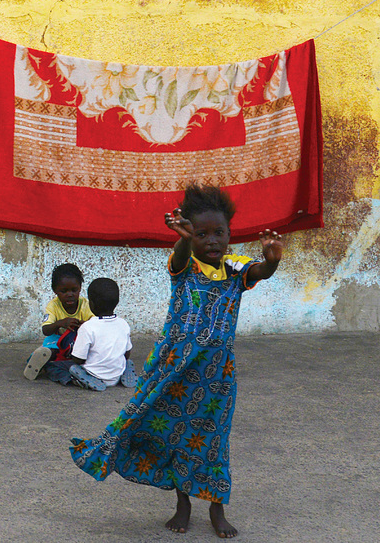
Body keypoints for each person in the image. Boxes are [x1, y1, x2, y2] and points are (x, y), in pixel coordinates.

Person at [69, 184, 283, 538]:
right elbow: (181, 257)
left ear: (230, 233)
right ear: (190, 235)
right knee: (173, 434)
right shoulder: (183, 266)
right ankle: (182, 503)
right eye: (201, 234)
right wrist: (183, 240)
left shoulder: (235, 270)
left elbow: (260, 272)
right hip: (175, 370)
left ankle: (217, 507)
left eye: (219, 233)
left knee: (214, 440)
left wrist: (272, 260)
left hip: (217, 377)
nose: (211, 240)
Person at [24, 263, 94, 381]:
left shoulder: (85, 304)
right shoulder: (53, 306)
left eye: (74, 290)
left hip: (78, 340)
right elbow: (45, 330)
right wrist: (61, 323)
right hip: (58, 339)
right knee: (52, 350)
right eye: (64, 291)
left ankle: (60, 362)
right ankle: (38, 360)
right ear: (55, 290)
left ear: (80, 288)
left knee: (91, 348)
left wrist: (84, 325)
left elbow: (95, 324)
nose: (70, 294)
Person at [68, 277, 138, 391]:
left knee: (64, 368)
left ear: (92, 304)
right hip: (117, 375)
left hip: (94, 374)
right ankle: (125, 371)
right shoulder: (123, 324)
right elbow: (127, 354)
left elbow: (78, 359)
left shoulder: (87, 327)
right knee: (127, 361)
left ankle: (85, 379)